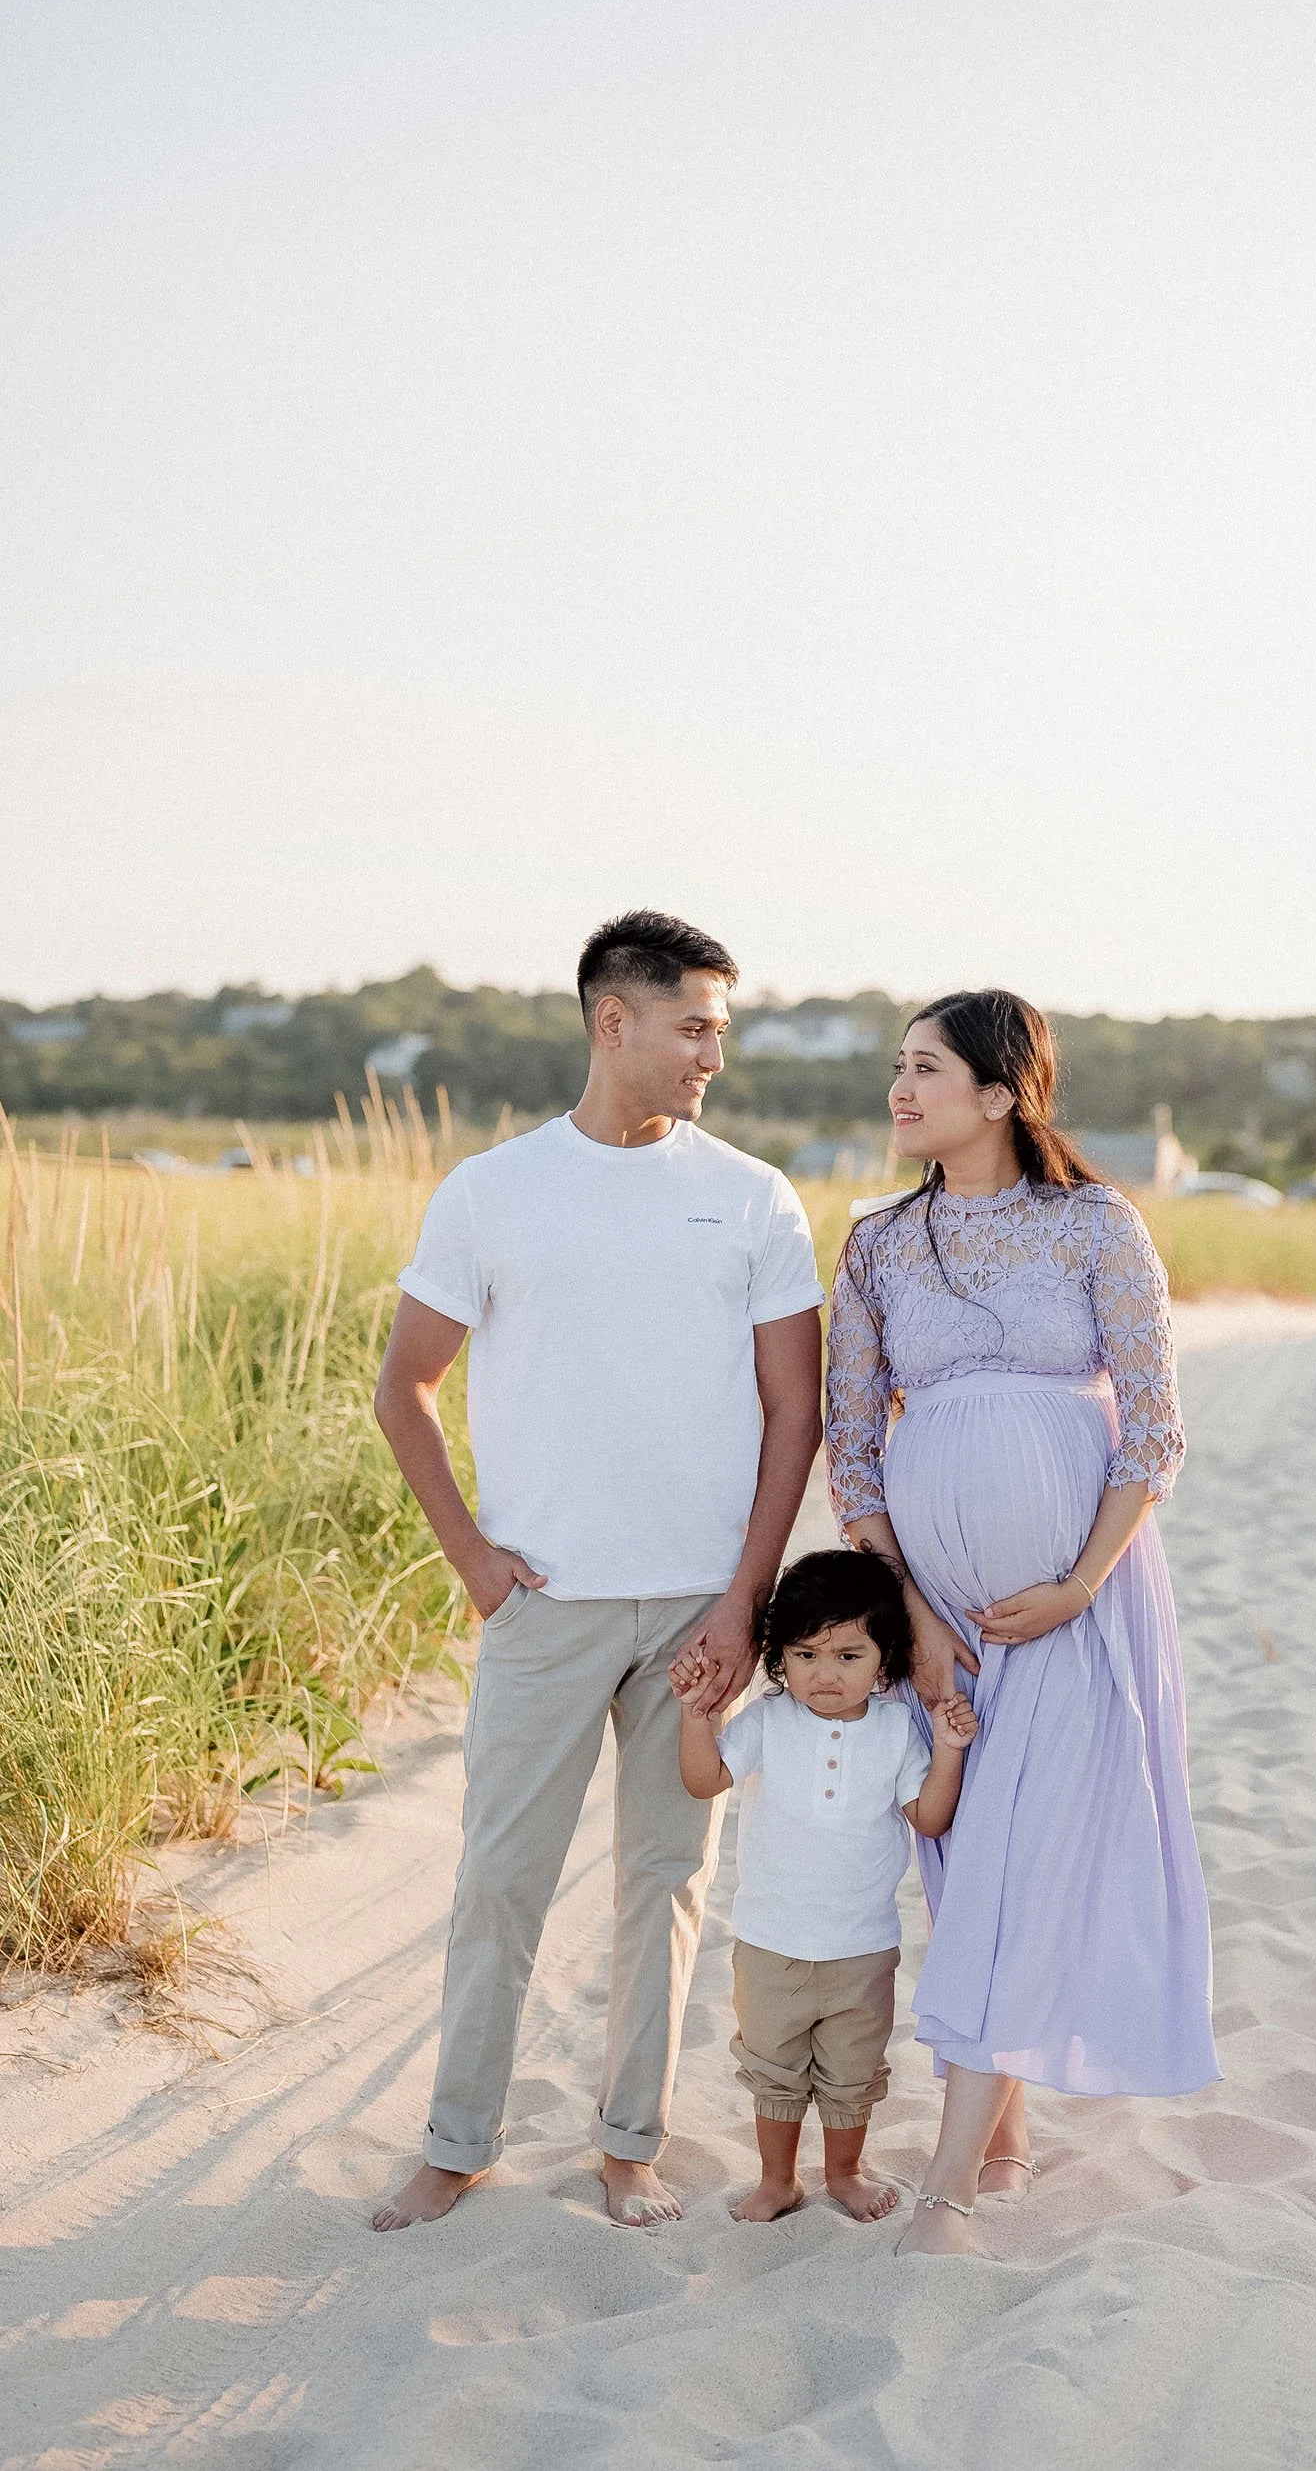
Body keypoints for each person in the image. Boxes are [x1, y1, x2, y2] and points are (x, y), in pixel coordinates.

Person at [370, 909, 824, 2232]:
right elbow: (403, 1386)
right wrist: (474, 1562)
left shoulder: (749, 1196)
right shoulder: (491, 1192)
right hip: (545, 1605)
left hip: (697, 1608)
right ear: (610, 1020)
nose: (710, 1055)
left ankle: (629, 2146)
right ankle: (455, 2143)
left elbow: (791, 1414)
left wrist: (744, 1603)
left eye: (719, 1030)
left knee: (664, 1886)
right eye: (692, 1025)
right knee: (498, 1884)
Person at [825, 989, 1220, 2256]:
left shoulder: (1097, 1224)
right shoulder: (879, 1244)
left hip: (1073, 1609)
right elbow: (852, 1448)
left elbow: (1153, 1432)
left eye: (925, 1068)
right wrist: (914, 1617)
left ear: (1002, 1093)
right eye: (896, 1068)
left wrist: (1081, 1583)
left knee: (1014, 1857)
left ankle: (942, 2186)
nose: (900, 1089)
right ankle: (1000, 2136)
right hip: (937, 1612)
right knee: (962, 1854)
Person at [672, 1549, 976, 2224]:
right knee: (773, 2073)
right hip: (768, 1943)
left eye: (847, 1655)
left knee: (851, 2076)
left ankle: (844, 2172)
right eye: (805, 1655)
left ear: (884, 1657)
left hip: (860, 1948)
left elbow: (928, 1819)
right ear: (780, 1657)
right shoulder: (767, 1722)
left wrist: (949, 1754)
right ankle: (776, 2179)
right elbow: (702, 1782)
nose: (825, 1674)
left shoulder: (897, 1731)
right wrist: (697, 1715)